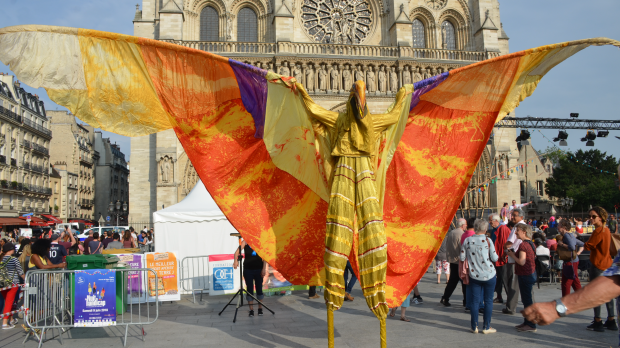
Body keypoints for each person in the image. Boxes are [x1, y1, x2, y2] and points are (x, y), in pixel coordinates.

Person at [461, 219, 498, 334]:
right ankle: (486, 327)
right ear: (485, 229)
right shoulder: (488, 240)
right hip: (489, 274)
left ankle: (474, 326)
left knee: (475, 301)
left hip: (474, 274)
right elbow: (495, 258)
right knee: (488, 301)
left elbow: (462, 258)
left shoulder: (467, 240)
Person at [583, 206, 616, 331]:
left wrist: (578, 241)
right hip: (608, 264)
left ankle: (598, 321)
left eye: (593, 216)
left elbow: (589, 245)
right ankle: (611, 320)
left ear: (601, 217)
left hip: (598, 265)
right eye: (589, 216)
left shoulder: (598, 231)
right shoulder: (606, 230)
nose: (590, 219)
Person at [505, 223, 537, 332]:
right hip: (530, 273)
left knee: (527, 301)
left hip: (525, 274)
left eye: (517, 230)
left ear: (524, 231)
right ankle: (527, 322)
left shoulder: (523, 245)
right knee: (527, 300)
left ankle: (531, 325)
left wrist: (512, 255)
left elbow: (522, 262)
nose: (516, 232)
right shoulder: (531, 243)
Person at [233, 240, 268, 317]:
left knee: (259, 289)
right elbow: (236, 252)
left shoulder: (260, 241)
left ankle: (260, 308)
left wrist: (264, 268)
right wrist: (235, 261)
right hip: (248, 270)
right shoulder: (245, 241)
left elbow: (265, 256)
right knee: (249, 289)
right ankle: (251, 310)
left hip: (259, 269)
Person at [502, 208, 526, 315]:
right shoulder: (526, 226)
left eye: (515, 215)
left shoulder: (517, 227)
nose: (512, 217)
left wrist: (504, 251)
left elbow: (509, 243)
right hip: (523, 257)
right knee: (526, 283)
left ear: (521, 216)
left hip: (514, 257)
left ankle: (511, 307)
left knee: (512, 283)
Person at [441, 218, 467, 306]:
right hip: (459, 260)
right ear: (463, 225)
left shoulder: (451, 232)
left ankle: (445, 297)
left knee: (452, 280)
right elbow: (461, 247)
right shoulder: (461, 234)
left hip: (452, 259)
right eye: (465, 225)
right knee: (464, 281)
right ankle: (466, 301)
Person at [556, 219, 584, 297]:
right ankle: (580, 296)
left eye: (559, 225)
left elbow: (572, 247)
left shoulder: (566, 235)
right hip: (573, 260)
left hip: (570, 261)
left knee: (566, 282)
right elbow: (581, 244)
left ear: (564, 227)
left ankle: (565, 300)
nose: (557, 227)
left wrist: (561, 244)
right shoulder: (571, 235)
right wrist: (578, 253)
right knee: (574, 280)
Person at [1, 243, 25, 329]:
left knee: (8, 301)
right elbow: (20, 272)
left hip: (2, 284)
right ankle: (4, 323)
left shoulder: (1, 259)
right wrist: (26, 279)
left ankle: (11, 320)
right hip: (13, 283)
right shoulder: (14, 259)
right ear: (11, 250)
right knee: (9, 302)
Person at [491, 214, 510, 304]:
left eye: (491, 221)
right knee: (498, 278)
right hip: (495, 257)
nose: (490, 223)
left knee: (504, 278)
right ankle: (499, 296)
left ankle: (510, 298)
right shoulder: (493, 230)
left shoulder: (503, 229)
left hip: (502, 257)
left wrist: (505, 254)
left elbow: (507, 243)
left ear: (496, 221)